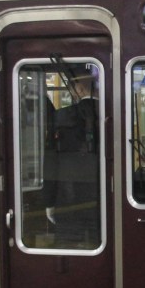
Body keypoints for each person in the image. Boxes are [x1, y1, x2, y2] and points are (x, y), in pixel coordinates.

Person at [44, 75, 99, 248]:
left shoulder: (61, 118)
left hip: (67, 199)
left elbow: (51, 161)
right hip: (103, 198)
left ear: (79, 89)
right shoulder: (114, 116)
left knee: (69, 250)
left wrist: (49, 201)